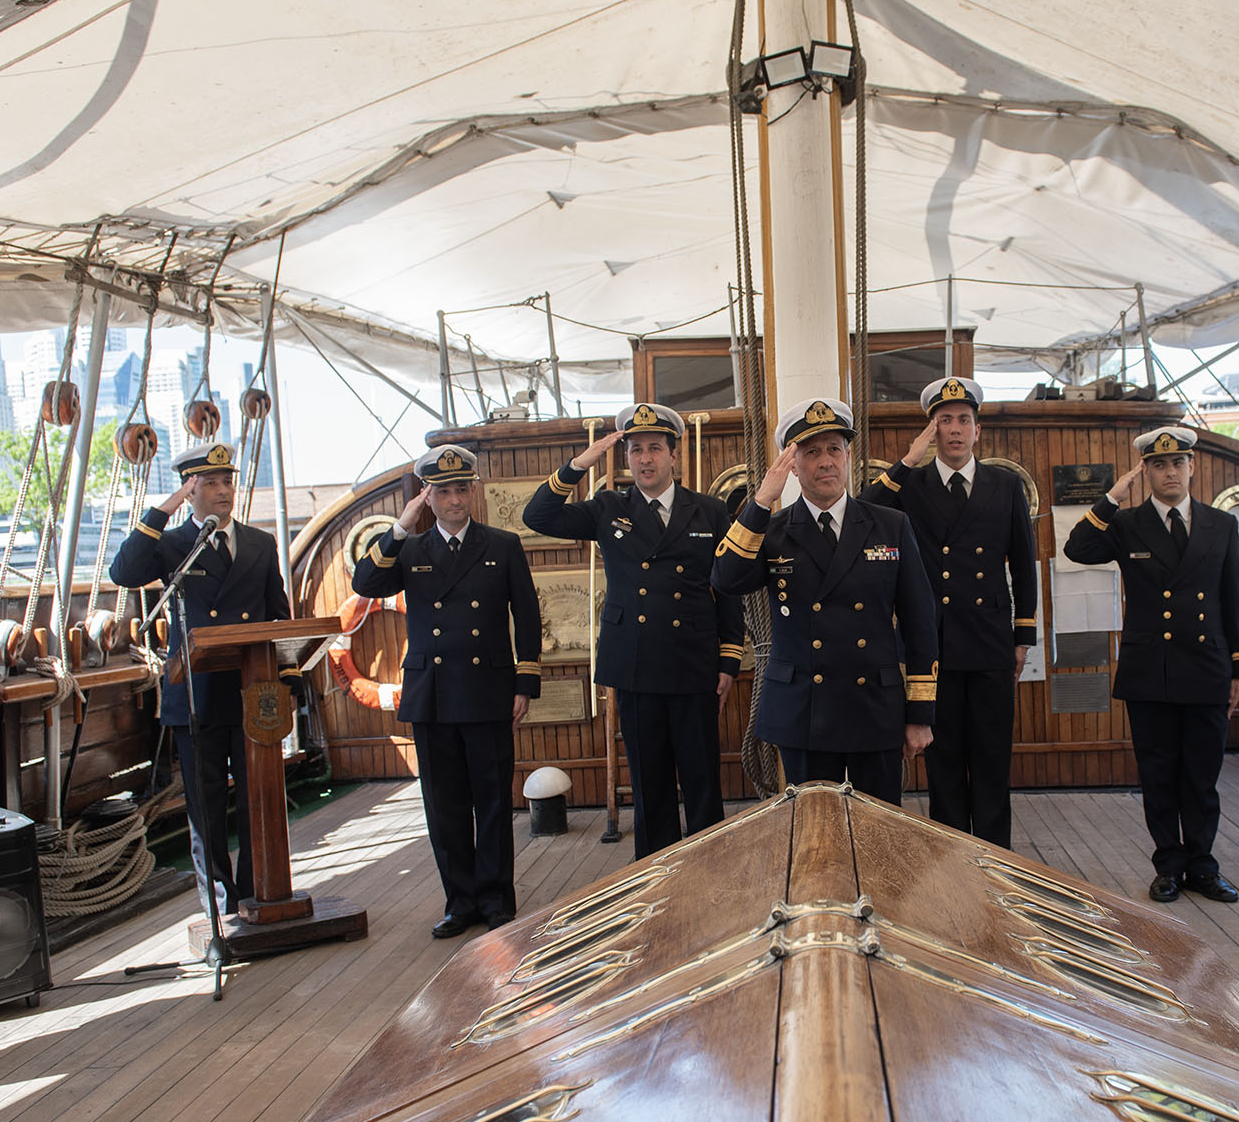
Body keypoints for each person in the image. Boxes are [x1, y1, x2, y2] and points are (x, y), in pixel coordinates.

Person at [523, 403, 742, 858]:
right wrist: (577, 465)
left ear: (673, 456)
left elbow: (729, 589)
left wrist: (728, 659)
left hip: (694, 663)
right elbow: (538, 517)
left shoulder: (709, 511)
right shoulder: (608, 507)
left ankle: (712, 873)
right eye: (635, 449)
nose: (645, 458)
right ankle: (654, 878)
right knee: (650, 784)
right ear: (626, 458)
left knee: (702, 781)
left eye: (655, 448)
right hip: (637, 667)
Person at [351, 443, 542, 938]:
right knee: (444, 805)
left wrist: (525, 682)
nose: (455, 500)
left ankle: (497, 898)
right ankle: (460, 902)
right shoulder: (409, 548)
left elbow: (526, 617)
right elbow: (366, 582)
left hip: (488, 689)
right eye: (443, 492)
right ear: (427, 498)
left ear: (472, 492)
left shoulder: (501, 545)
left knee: (494, 801)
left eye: (462, 489)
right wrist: (398, 526)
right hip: (433, 693)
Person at [711, 397, 938, 805]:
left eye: (834, 449)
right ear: (793, 466)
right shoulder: (772, 530)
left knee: (880, 833)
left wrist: (920, 713)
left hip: (874, 706)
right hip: (804, 710)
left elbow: (920, 621)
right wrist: (760, 503)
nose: (826, 462)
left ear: (848, 457)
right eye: (811, 452)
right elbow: (725, 579)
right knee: (816, 839)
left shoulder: (890, 526)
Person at [1063, 425, 1239, 904]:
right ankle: (1168, 865)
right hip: (1152, 671)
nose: (1170, 472)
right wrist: (1113, 496)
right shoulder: (1127, 524)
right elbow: (1077, 548)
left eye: (1178, 463)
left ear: (1192, 467)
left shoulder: (1220, 525)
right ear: (1145, 472)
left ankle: (1203, 865)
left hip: (1207, 667)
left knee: (1202, 777)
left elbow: (1234, 600)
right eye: (1159, 465)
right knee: (1159, 773)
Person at [110, 441, 296, 917]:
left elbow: (278, 617)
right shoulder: (172, 545)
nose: (222, 491)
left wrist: (287, 682)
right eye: (209, 483)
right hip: (194, 696)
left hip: (252, 694)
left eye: (226, 481)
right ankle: (221, 910)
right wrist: (166, 506)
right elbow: (125, 572)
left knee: (258, 798)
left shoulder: (259, 543)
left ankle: (258, 895)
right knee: (206, 808)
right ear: (190, 489)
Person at [860, 377, 1036, 847]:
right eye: (943, 421)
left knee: (993, 761)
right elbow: (861, 512)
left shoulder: (1005, 484)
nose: (954, 430)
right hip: (934, 645)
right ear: (931, 431)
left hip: (991, 642)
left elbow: (1023, 563)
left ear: (977, 430)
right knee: (945, 765)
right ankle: (952, 862)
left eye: (963, 420)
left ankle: (998, 864)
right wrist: (905, 462)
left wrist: (1024, 637)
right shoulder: (911, 484)